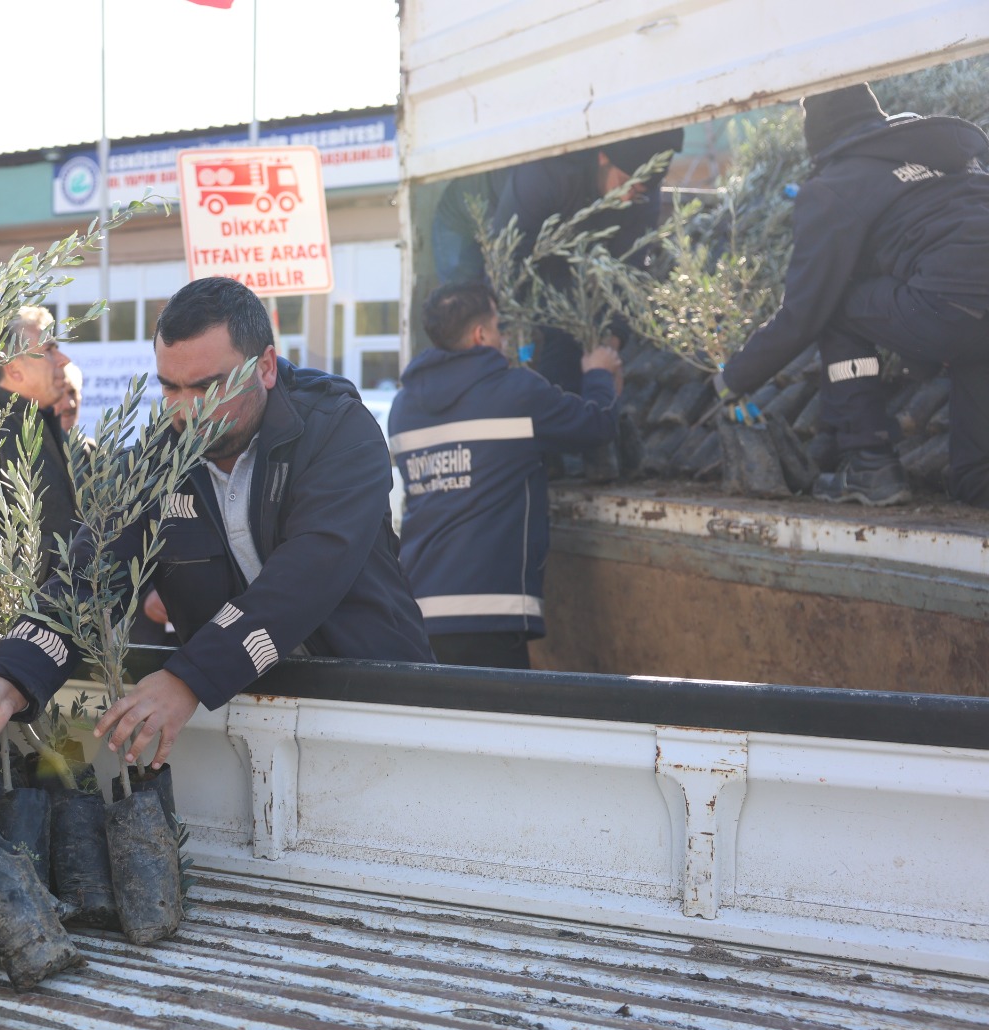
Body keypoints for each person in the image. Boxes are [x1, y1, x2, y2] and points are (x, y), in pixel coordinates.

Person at [0, 277, 432, 774]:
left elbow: (307, 575)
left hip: (381, 713)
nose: (188, 409)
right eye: (170, 388)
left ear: (266, 367)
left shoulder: (338, 431)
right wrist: (7, 681)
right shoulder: (159, 458)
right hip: (240, 722)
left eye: (208, 387)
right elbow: (88, 577)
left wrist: (188, 678)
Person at [713, 83, 989, 508]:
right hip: (970, 318)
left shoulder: (836, 183)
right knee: (976, 478)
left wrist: (732, 379)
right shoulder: (943, 154)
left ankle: (870, 465)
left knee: (836, 305)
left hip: (951, 310)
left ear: (818, 139)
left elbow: (804, 311)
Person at [390, 281, 621, 669]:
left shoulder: (403, 408)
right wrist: (599, 374)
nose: (504, 338)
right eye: (499, 327)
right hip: (488, 612)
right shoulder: (516, 393)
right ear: (481, 335)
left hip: (417, 610)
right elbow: (596, 425)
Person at [488, 129, 684, 397]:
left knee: (566, 336)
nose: (626, 198)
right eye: (624, 184)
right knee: (478, 319)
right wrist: (507, 333)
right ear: (603, 157)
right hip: (487, 217)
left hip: (565, 244)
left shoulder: (642, 199)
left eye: (637, 192)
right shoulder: (546, 174)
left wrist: (610, 348)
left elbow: (628, 272)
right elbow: (505, 258)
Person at [0, 306, 77, 581]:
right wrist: (67, 560)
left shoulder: (40, 421)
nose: (64, 360)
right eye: (49, 350)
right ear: (14, 369)